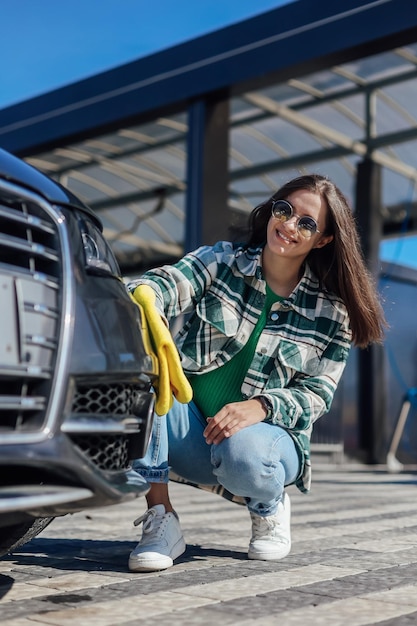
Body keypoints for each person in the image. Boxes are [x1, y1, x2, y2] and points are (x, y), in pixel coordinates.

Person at [127, 173, 386, 572]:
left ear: (323, 240)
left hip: (261, 448)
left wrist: (262, 406)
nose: (289, 224)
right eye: (284, 210)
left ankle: (268, 506)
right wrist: (148, 296)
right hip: (190, 431)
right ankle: (161, 518)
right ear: (271, 210)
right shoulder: (221, 260)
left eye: (307, 222)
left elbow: (318, 394)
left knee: (245, 451)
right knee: (141, 386)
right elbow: (167, 282)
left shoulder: (333, 314)